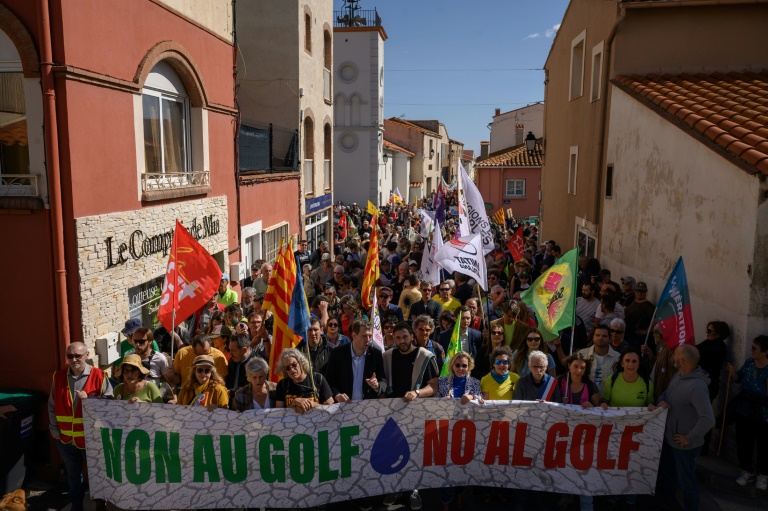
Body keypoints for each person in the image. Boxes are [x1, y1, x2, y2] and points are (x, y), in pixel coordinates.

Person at [381, 321, 439, 511]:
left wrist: (417, 393)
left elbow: (434, 386)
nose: (401, 341)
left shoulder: (425, 356)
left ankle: (414, 489)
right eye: (397, 338)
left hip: (416, 414)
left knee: (414, 453)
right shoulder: (387, 356)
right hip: (392, 413)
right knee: (393, 453)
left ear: (412, 336)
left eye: (405, 337)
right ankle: (395, 487)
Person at [48, 342, 113, 511]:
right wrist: (54, 431)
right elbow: (52, 406)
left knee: (98, 474)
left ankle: (101, 504)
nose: (74, 359)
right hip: (65, 439)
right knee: (74, 477)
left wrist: (90, 400)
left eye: (78, 355)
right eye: (70, 356)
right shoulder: (59, 377)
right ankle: (76, 507)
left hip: (92, 438)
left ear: (87, 355)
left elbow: (110, 406)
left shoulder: (100, 375)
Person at [652, 344, 716, 511]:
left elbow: (708, 419)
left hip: (684, 447)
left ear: (681, 361)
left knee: (687, 484)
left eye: (675, 355)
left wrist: (689, 438)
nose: (672, 357)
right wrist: (662, 400)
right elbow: (666, 394)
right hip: (670, 441)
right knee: (669, 478)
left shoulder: (697, 387)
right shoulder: (678, 376)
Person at [436, 351, 483, 511]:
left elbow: (483, 402)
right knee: (447, 466)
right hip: (446, 429)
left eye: (464, 365)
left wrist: (472, 397)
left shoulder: (475, 383)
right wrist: (442, 401)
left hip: (466, 430)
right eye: (458, 365)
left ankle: (460, 494)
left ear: (469, 367)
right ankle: (446, 499)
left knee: (462, 464)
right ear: (452, 366)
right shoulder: (442, 382)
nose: (461, 368)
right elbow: (433, 404)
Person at [725, 335, 768, 491]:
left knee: (764, 445)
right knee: (744, 441)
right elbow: (739, 379)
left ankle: (763, 475)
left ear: (765, 352)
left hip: (763, 413)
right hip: (744, 409)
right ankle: (747, 471)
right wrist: (733, 372)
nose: (751, 350)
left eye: (755, 348)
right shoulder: (750, 363)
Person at [324, 320, 386, 403]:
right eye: (364, 336)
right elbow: (329, 381)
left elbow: (384, 382)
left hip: (367, 406)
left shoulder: (376, 354)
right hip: (343, 406)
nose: (368, 340)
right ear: (354, 335)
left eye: (370, 336)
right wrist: (337, 395)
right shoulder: (337, 354)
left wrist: (377, 386)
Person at [274, 348, 334, 413]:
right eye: (287, 368)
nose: (291, 370)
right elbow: (279, 413)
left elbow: (331, 407)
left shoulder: (318, 379)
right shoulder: (282, 385)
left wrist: (313, 405)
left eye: (294, 365)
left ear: (301, 363)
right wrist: (293, 403)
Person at [577, 325, 621, 394]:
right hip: (585, 398)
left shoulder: (617, 358)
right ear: (593, 337)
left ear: (610, 339)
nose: (600, 338)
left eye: (604, 336)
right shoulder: (582, 354)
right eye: (597, 335)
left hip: (607, 400)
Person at [226, 333, 256, 405]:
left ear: (244, 350)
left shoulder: (256, 364)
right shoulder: (232, 361)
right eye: (230, 350)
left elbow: (253, 388)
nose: (230, 353)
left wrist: (233, 392)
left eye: (233, 350)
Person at [623, 281, 654, 347]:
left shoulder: (648, 306)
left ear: (645, 292)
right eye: (637, 291)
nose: (639, 293)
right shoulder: (633, 300)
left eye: (642, 292)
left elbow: (655, 319)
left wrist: (647, 331)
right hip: (628, 335)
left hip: (637, 339)